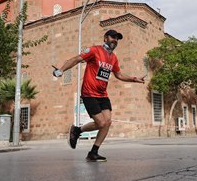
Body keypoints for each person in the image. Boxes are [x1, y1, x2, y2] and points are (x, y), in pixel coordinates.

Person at [53, 29, 145, 162]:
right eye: (113, 37)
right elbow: (76, 59)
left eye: (117, 39)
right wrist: (61, 70)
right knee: (101, 122)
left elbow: (119, 75)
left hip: (102, 95)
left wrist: (134, 79)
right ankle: (77, 131)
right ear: (105, 38)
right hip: (89, 93)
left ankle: (93, 152)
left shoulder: (113, 58)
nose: (115, 40)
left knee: (107, 122)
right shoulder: (94, 50)